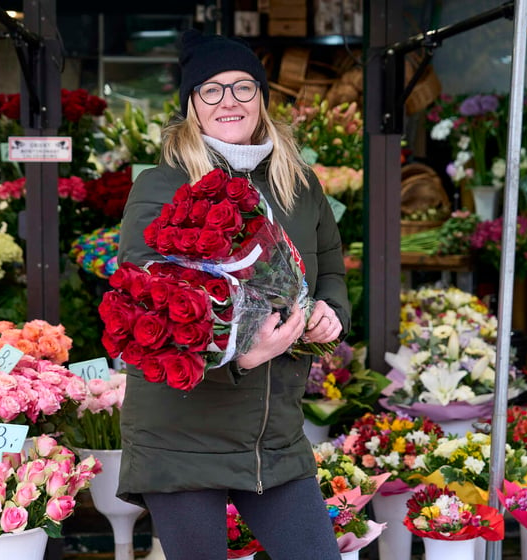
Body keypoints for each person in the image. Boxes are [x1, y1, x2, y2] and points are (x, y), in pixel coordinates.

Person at [116, 29, 351, 560]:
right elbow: (145, 303)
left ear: (263, 99)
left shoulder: (299, 183)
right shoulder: (161, 184)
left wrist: (330, 311)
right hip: (183, 434)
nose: (230, 102)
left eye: (243, 87)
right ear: (192, 106)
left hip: (275, 434)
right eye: (212, 90)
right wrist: (239, 353)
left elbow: (332, 268)